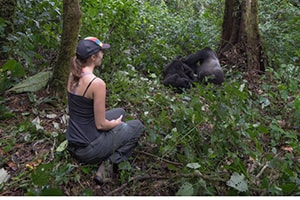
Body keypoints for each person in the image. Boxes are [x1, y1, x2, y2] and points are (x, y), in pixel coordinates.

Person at [66, 36, 144, 185]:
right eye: (101, 52)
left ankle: (109, 142)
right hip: (87, 150)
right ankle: (107, 165)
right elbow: (101, 125)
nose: (102, 55)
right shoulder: (97, 83)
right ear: (93, 57)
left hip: (73, 141)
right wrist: (116, 124)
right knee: (135, 126)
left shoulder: (72, 75)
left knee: (120, 111)